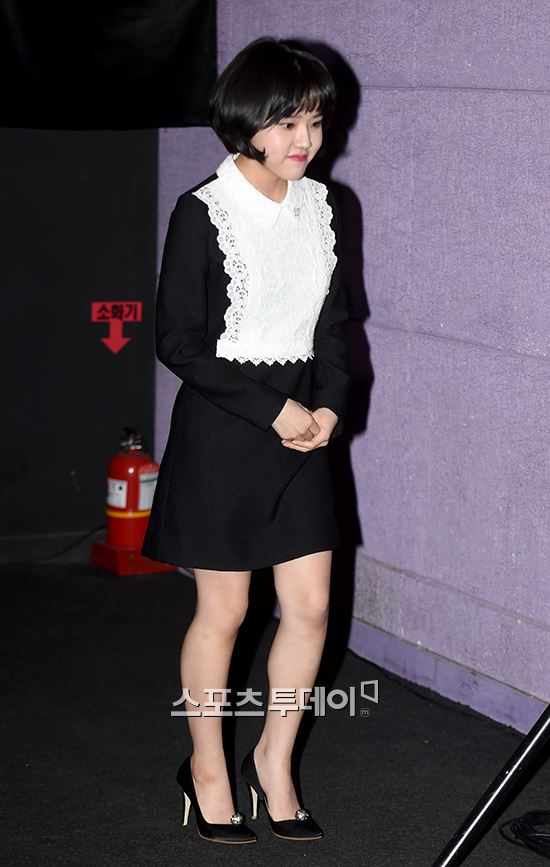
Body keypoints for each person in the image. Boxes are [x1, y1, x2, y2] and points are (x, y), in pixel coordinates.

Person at [141, 35, 351, 845]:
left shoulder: (323, 207)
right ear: (248, 120)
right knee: (225, 611)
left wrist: (329, 407)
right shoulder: (203, 210)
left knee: (311, 606)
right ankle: (206, 770)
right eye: (289, 122)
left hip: (303, 435)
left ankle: (274, 760)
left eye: (316, 122)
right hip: (228, 431)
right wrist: (272, 409)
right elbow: (178, 341)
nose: (306, 139)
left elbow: (334, 329)